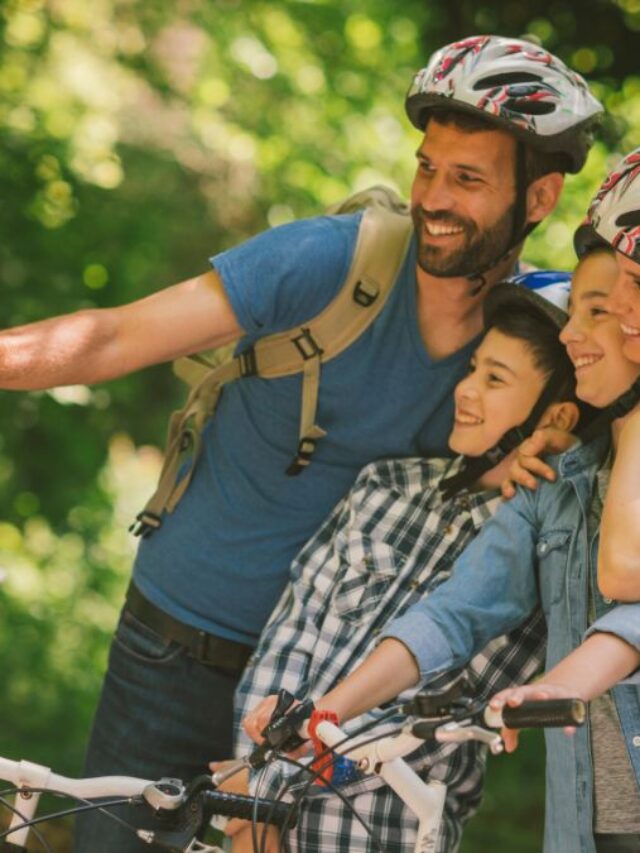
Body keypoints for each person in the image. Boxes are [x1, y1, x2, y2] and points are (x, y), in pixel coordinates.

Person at [0, 35, 601, 851]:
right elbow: (109, 337)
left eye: (468, 179)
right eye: (429, 168)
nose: (435, 197)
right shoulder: (327, 260)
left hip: (331, 701)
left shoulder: (539, 347)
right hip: (177, 647)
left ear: (539, 198)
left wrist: (550, 453)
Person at [271, 242, 640, 853]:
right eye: (575, 311)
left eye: (598, 311)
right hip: (590, 822)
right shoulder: (555, 477)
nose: (573, 334)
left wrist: (564, 681)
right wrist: (326, 713)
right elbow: (455, 611)